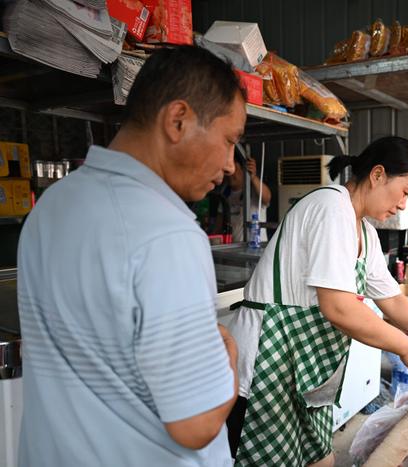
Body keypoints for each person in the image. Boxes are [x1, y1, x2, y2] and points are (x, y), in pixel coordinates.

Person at [17, 46, 245, 466]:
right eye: (229, 141)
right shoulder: (166, 231)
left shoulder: (52, 206)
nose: (231, 165)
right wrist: (230, 365)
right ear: (178, 120)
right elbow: (196, 424)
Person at [225, 136, 408, 466]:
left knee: (320, 460)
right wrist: (406, 347)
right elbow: (339, 307)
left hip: (302, 371)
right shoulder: (331, 208)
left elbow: (393, 301)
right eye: (406, 192)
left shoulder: (366, 234)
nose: (403, 204)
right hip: (265, 368)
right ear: (377, 175)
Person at [223, 151, 271, 242]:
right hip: (233, 249)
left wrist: (252, 176)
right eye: (228, 170)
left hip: (256, 248)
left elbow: (267, 197)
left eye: (235, 168)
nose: (231, 173)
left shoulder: (254, 192)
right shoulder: (225, 196)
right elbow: (219, 225)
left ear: (244, 170)